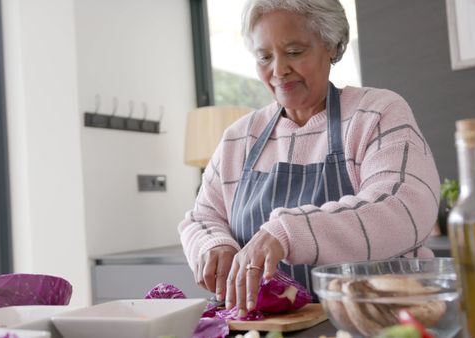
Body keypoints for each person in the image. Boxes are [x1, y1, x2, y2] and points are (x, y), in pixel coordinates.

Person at [178, 0, 440, 317]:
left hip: (378, 321)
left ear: (331, 45)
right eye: (264, 57)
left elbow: (404, 208)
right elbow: (201, 217)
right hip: (268, 325)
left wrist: (287, 233)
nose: (278, 70)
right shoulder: (239, 138)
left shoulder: (376, 112)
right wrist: (213, 244)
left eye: (294, 51)